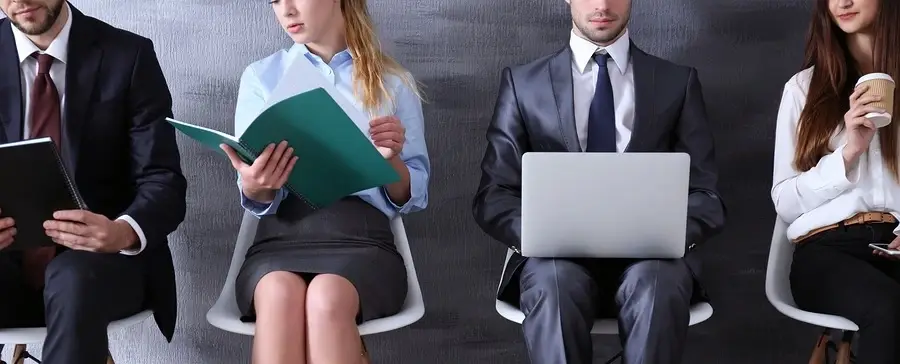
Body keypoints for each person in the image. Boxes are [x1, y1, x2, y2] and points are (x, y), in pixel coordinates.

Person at [472, 0, 726, 362]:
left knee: (656, 284)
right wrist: (538, 234)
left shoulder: (676, 83)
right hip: (555, 263)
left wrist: (667, 234)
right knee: (553, 284)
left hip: (652, 263)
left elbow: (707, 195)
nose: (603, 5)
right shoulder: (523, 84)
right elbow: (494, 193)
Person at [218, 0, 429, 362]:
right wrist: (254, 183)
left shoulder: (393, 82)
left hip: (363, 240)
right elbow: (255, 192)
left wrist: (391, 159)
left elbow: (413, 196)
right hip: (279, 238)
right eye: (274, 1)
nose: (285, 11)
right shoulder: (261, 76)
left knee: (327, 296)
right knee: (278, 293)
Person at [0, 1, 186, 363]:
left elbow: (163, 180)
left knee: (74, 280)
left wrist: (122, 232)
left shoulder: (128, 55)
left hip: (102, 264)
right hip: (7, 263)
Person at [772, 0, 900, 362]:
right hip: (828, 249)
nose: (842, 2)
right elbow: (785, 202)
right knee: (886, 307)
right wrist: (847, 153)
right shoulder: (804, 88)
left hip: (894, 242)